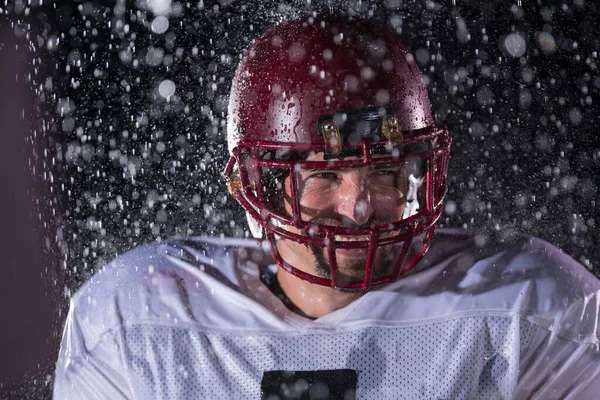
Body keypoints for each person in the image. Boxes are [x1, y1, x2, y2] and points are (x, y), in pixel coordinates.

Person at [53, 16, 600, 399]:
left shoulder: (526, 310)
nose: (360, 207)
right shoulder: (137, 321)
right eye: (325, 174)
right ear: (254, 185)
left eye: (385, 171)